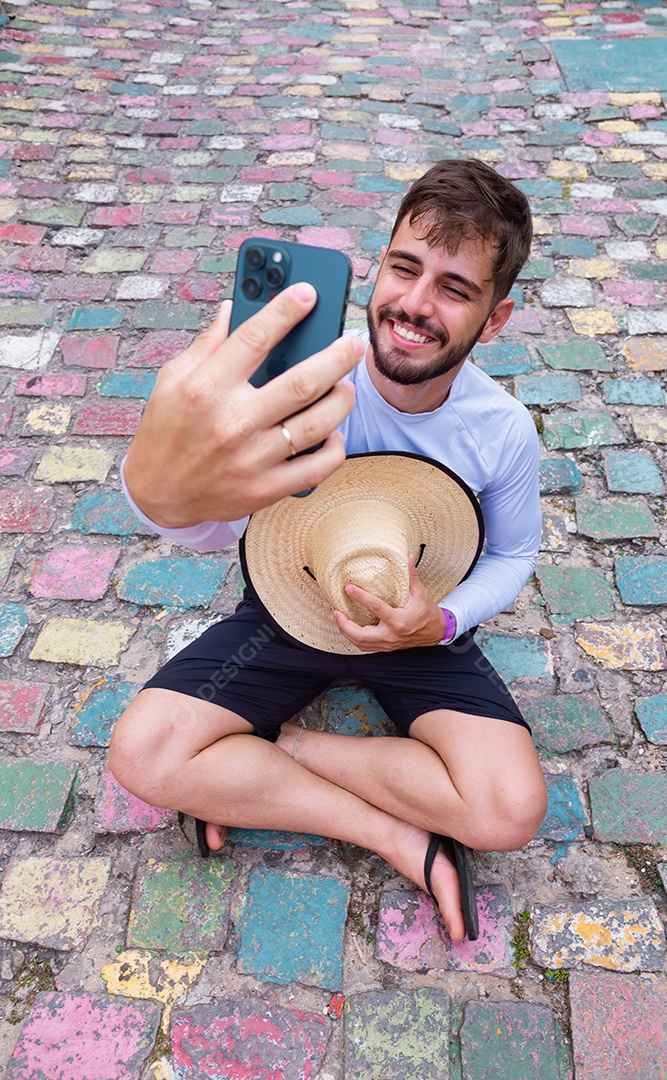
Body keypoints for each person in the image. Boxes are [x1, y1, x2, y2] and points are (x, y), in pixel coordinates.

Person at [109, 159, 548, 943]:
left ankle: (276, 752)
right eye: (404, 268)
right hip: (287, 606)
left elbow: (513, 557)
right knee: (142, 754)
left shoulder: (502, 429)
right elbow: (214, 523)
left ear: (496, 318)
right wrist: (159, 491)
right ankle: (397, 837)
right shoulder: (304, 380)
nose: (414, 305)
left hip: (418, 623)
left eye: (453, 288)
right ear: (377, 266)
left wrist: (439, 623)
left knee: (508, 810)